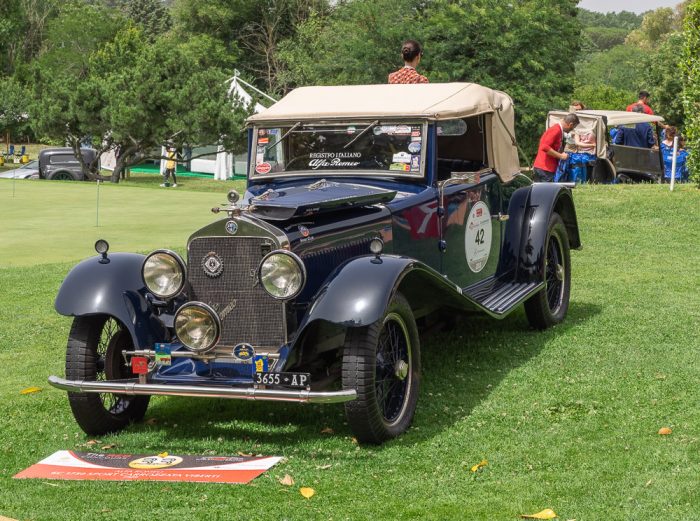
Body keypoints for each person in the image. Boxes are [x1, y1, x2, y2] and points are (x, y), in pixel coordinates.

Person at [533, 113, 579, 182]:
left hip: (543, 168)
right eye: (573, 127)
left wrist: (560, 152)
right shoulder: (556, 130)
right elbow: (544, 147)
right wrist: (561, 156)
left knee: (539, 192)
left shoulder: (558, 129)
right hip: (545, 170)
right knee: (547, 192)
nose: (572, 129)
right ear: (570, 124)